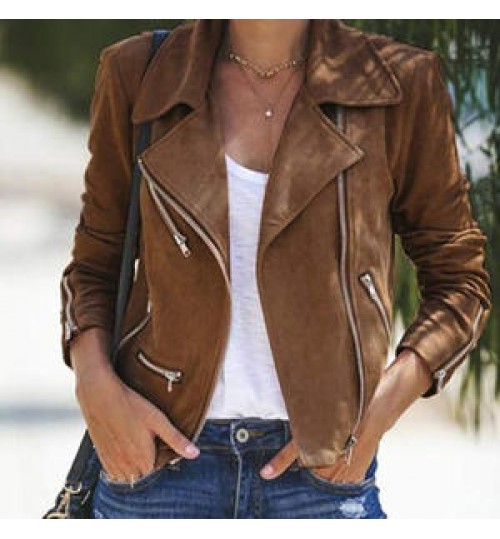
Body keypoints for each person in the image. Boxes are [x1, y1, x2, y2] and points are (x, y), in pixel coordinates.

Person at [61, 19, 492, 519]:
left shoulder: (398, 83)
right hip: (157, 467)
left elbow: (460, 282)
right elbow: (94, 265)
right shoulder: (140, 72)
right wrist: (94, 386)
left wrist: (375, 417)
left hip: (322, 478)